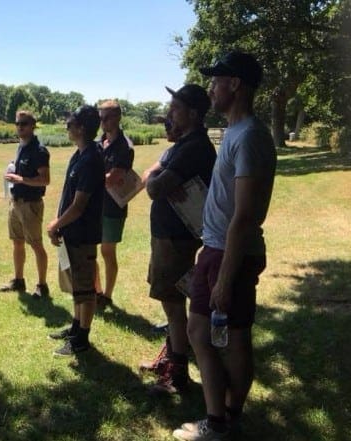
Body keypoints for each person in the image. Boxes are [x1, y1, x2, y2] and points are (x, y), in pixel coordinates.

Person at [172, 51, 276, 440]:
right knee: (219, 335)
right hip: (217, 249)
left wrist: (225, 276)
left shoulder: (248, 136)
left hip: (227, 252)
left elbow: (246, 215)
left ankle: (218, 423)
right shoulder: (234, 132)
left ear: (235, 85)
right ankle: (228, 415)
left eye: (217, 80)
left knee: (218, 335)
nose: (211, 87)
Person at [140, 85, 216, 394]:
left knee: (172, 304)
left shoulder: (194, 147)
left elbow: (154, 188)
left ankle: (177, 374)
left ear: (194, 114)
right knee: (170, 301)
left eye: (176, 108)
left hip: (176, 237)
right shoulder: (183, 145)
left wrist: (158, 179)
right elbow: (151, 177)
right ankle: (170, 359)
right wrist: (158, 177)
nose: (170, 113)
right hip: (168, 235)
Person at [47, 105, 105, 356]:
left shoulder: (91, 159)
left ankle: (82, 339)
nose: (66, 128)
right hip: (72, 233)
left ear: (81, 128)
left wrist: (55, 224)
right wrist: (59, 223)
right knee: (77, 285)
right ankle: (75, 327)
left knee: (85, 288)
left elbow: (79, 205)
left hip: (82, 235)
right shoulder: (79, 155)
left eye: (70, 124)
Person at [0, 110, 51, 298]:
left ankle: (42, 285)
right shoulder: (21, 146)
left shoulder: (39, 150)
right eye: (17, 124)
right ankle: (19, 281)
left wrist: (20, 179)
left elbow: (45, 179)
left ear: (32, 126)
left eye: (24, 123)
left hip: (31, 204)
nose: (20, 127)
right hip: (16, 202)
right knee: (17, 242)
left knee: (36, 245)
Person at [94, 100, 135, 310]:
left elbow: (112, 178)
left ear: (117, 117)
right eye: (99, 117)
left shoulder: (124, 147)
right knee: (92, 249)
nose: (101, 122)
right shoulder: (101, 142)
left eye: (105, 117)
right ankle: (97, 292)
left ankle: (107, 295)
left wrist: (89, 179)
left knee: (107, 252)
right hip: (96, 205)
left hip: (112, 208)